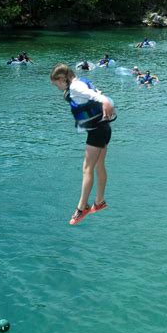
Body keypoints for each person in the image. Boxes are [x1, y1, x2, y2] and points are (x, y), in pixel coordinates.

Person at [50, 63, 115, 225]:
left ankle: (82, 207)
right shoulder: (82, 81)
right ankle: (99, 202)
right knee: (99, 166)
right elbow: (94, 93)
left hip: (97, 131)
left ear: (63, 78)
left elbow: (96, 97)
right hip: (104, 128)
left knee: (87, 169)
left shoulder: (76, 88)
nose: (56, 87)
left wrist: (105, 102)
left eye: (56, 83)